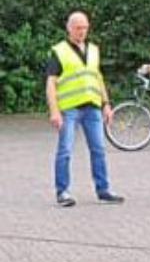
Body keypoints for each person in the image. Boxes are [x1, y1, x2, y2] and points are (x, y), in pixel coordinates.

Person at [45, 11, 125, 207]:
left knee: (99, 149)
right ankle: (63, 191)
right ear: (69, 28)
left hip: (92, 107)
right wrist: (54, 111)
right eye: (78, 28)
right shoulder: (59, 51)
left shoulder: (94, 50)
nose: (82, 31)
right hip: (69, 109)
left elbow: (97, 77)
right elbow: (51, 83)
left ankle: (103, 189)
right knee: (65, 150)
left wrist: (106, 104)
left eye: (85, 28)